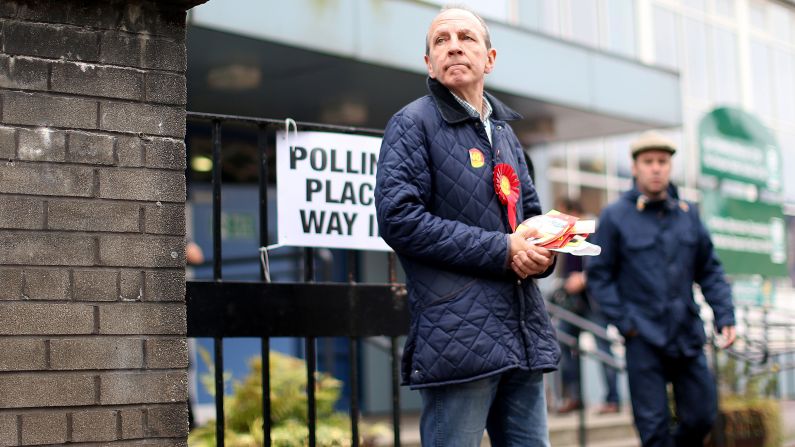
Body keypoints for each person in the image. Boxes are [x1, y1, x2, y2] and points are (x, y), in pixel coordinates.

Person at [374, 6, 559, 446]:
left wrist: (542, 255)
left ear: (489, 59)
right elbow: (398, 219)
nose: (453, 45)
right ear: (429, 64)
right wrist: (504, 250)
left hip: (521, 332)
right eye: (441, 40)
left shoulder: (507, 134)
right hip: (458, 337)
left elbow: (529, 217)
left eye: (466, 37)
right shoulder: (411, 123)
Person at [587, 130, 736, 447]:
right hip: (643, 339)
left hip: (686, 333)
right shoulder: (615, 216)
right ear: (635, 167)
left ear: (670, 167)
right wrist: (626, 324)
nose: (656, 168)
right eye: (648, 161)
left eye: (662, 162)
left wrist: (725, 315)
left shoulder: (687, 214)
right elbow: (599, 275)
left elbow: (709, 269)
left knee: (702, 416)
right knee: (653, 430)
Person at [552, 198, 620, 415]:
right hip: (574, 305)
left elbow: (609, 263)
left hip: (594, 301)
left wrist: (584, 278)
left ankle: (613, 399)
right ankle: (575, 397)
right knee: (562, 341)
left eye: (563, 214)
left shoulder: (596, 229)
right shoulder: (568, 235)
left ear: (574, 212)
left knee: (603, 348)